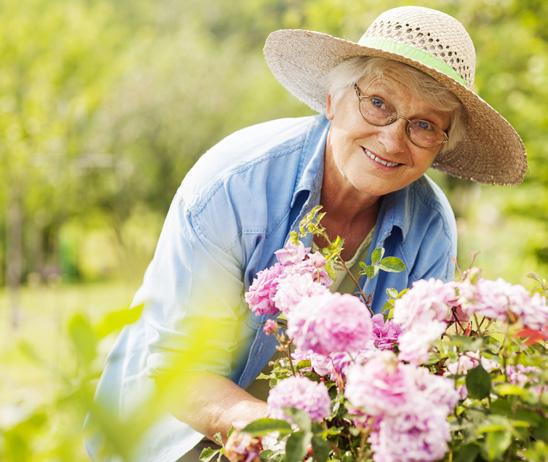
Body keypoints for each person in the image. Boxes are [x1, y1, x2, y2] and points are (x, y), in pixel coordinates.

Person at [89, 5, 526, 462]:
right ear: (333, 100)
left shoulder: (431, 228)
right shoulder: (236, 184)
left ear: (441, 146)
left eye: (424, 125)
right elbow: (178, 371)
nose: (394, 140)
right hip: (174, 434)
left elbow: (408, 378)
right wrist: (286, 441)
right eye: (378, 104)